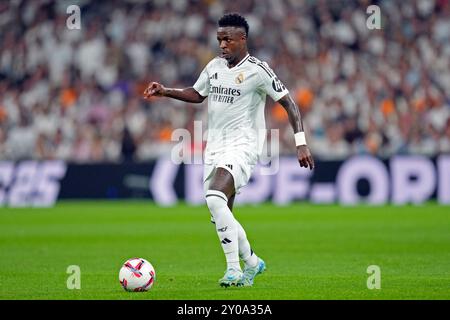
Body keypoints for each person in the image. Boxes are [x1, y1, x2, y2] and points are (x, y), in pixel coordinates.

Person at [143, 13, 314, 287]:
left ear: (242, 39)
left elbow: (290, 104)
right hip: (215, 147)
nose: (222, 45)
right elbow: (197, 94)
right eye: (219, 39)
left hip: (243, 146)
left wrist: (301, 142)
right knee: (220, 213)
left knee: (213, 197)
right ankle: (254, 263)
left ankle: (233, 270)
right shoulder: (214, 67)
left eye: (228, 39)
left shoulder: (259, 70)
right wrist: (166, 91)